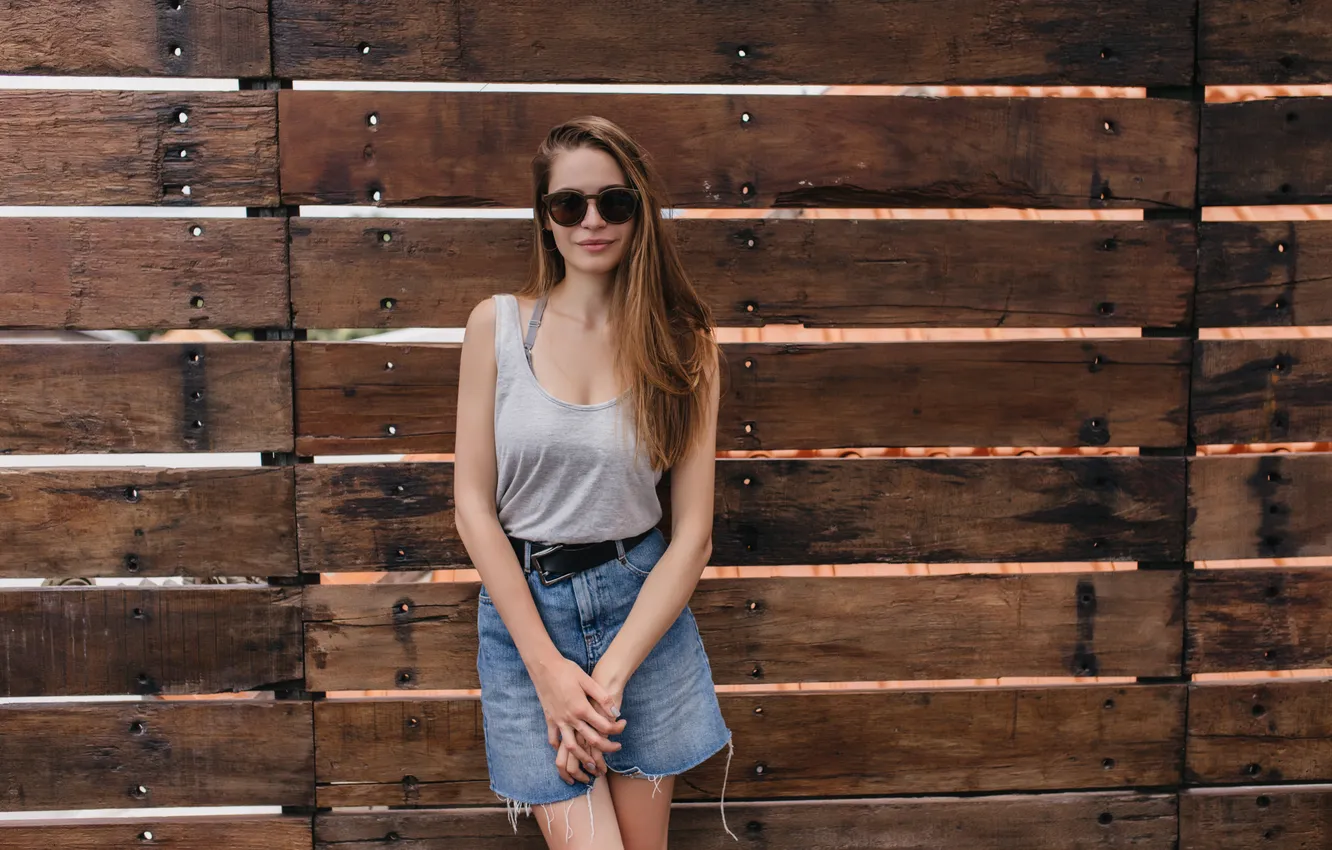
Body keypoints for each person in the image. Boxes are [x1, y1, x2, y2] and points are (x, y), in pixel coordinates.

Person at [452, 116, 737, 849]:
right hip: (526, 624)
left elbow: (693, 537)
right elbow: (473, 509)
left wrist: (605, 680)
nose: (591, 221)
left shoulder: (685, 346)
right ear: (544, 218)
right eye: (568, 204)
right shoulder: (496, 328)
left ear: (640, 211)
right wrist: (548, 672)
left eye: (614, 203)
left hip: (641, 620)